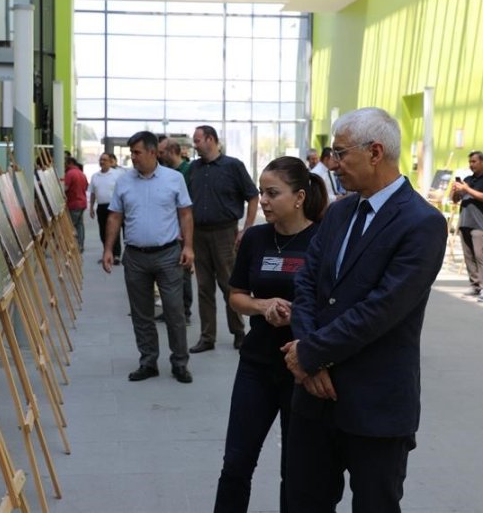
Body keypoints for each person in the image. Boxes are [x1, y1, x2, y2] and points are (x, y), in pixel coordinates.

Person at [281, 107, 447, 513]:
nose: (333, 165)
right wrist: (307, 351)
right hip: (314, 398)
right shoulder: (339, 212)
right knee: (302, 500)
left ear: (375, 152)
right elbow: (306, 283)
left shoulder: (422, 223)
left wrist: (311, 354)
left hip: (375, 404)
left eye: (340, 154)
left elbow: (383, 309)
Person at [214, 157, 328, 513]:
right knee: (236, 463)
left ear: (298, 197)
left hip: (301, 369)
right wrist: (263, 307)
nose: (262, 200)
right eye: (261, 192)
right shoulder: (255, 238)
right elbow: (236, 297)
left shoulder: (323, 241)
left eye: (272, 193)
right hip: (257, 365)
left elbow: (333, 305)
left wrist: (300, 316)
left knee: (295, 472)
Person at [103, 131, 195, 383]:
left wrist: (188, 247)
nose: (132, 157)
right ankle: (148, 362)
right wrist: (109, 249)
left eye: (137, 152)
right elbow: (114, 216)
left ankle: (179, 363)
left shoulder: (174, 179)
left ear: (153, 152)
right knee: (141, 313)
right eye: (131, 153)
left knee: (174, 311)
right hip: (135, 256)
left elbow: (186, 214)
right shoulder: (123, 181)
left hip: (168, 254)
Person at [188, 125, 260, 352]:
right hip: (198, 233)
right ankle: (207, 337)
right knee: (203, 287)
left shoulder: (233, 166)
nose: (195, 144)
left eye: (198, 140)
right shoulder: (193, 169)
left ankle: (239, 332)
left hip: (225, 233)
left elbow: (253, 196)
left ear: (210, 139)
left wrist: (246, 229)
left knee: (230, 284)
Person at [450, 150, 483, 302]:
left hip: (479, 223)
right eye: (470, 162)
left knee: (480, 255)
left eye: (474, 162)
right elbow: (455, 200)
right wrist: (456, 192)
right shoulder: (468, 180)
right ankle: (475, 285)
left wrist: (467, 189)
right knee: (468, 256)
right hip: (465, 222)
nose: (471, 165)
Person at [158, 137, 194, 324]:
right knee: (169, 273)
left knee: (183, 272)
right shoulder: (166, 172)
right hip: (169, 230)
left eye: (162, 152)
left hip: (182, 230)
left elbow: (187, 206)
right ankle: (170, 309)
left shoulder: (187, 172)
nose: (159, 155)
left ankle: (184, 311)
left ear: (172, 151)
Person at [89, 152, 124, 265]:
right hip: (101, 206)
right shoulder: (95, 176)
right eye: (101, 160)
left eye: (104, 160)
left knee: (114, 230)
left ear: (110, 162)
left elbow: (122, 190)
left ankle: (117, 254)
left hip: (114, 206)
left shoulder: (116, 174)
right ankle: (107, 253)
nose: (102, 162)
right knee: (103, 231)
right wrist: (91, 207)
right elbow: (93, 193)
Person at [63, 156, 89, 253]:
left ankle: (71, 246)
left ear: (70, 163)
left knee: (70, 225)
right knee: (79, 225)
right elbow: (86, 186)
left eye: (65, 163)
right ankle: (80, 245)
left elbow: (65, 188)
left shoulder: (70, 173)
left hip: (74, 203)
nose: (64, 165)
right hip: (82, 203)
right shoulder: (81, 173)